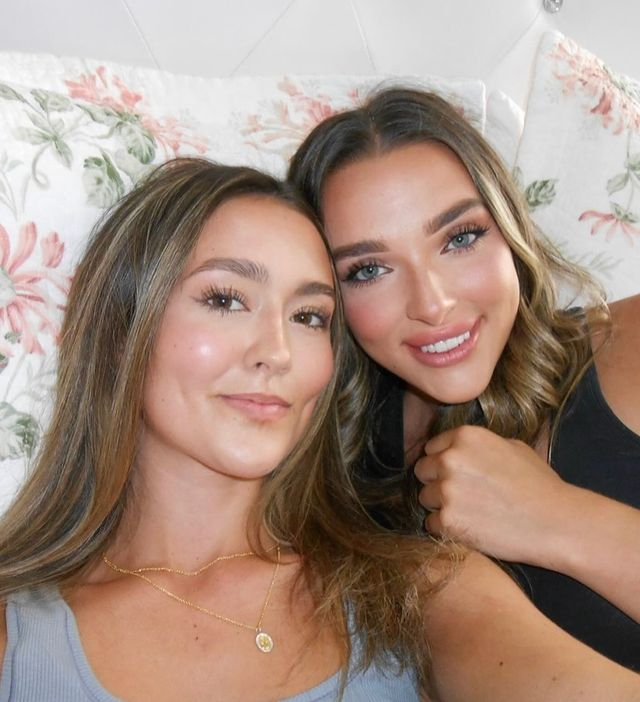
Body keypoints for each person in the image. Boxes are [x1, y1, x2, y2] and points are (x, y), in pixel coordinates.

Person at [0, 157, 639, 702]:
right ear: (120, 331)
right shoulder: (18, 635)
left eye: (309, 316)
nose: (277, 352)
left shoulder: (417, 588)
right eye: (225, 299)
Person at [289, 87, 640, 670]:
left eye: (460, 238)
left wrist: (556, 517)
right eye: (369, 270)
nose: (432, 304)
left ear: (509, 227)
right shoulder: (332, 460)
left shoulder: (626, 344)